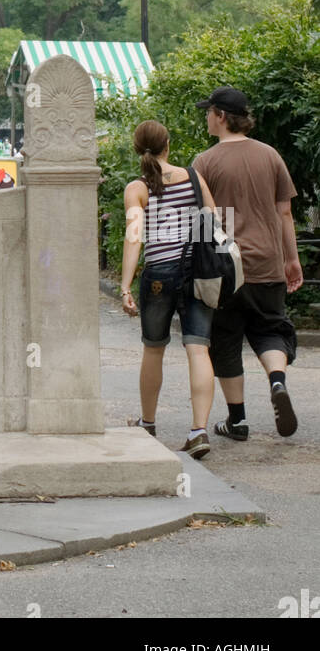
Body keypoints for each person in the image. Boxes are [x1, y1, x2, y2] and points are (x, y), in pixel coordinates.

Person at [192, 86, 302, 442]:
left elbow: (202, 222)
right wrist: (292, 259)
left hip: (226, 269)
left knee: (225, 340)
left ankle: (237, 421)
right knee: (271, 329)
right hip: (268, 262)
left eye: (209, 111)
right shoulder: (270, 156)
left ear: (221, 116)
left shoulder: (204, 163)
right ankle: (277, 382)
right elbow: (285, 212)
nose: (206, 116)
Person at [121, 120, 216, 458]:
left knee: (153, 349)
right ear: (168, 144)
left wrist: (125, 285)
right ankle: (199, 430)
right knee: (198, 348)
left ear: (137, 149)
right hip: (196, 274)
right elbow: (212, 224)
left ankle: (148, 424)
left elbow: (135, 237)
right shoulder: (193, 178)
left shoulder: (138, 187)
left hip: (159, 275)